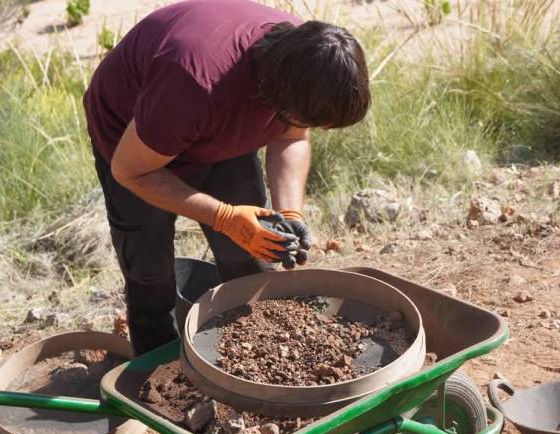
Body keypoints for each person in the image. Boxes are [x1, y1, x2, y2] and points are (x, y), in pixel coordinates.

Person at [84, 0, 371, 356]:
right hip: (137, 144)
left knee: (250, 255)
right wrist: (224, 217)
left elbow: (293, 136)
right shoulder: (194, 83)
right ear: (276, 96)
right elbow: (131, 170)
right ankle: (159, 373)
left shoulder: (305, 59)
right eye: (313, 119)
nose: (314, 128)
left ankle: (254, 356)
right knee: (150, 273)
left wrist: (291, 213)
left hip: (211, 123)